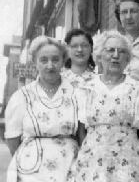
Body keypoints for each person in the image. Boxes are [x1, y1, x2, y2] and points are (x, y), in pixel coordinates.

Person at [73, 30, 139, 182]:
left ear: (127, 59)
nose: (116, 55)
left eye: (122, 51)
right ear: (99, 55)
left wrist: (133, 157)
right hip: (92, 162)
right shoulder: (86, 88)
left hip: (128, 164)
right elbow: (81, 131)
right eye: (110, 50)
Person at [4, 36, 79, 182]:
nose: (50, 65)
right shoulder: (22, 96)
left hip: (69, 166)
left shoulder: (76, 93)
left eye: (55, 59)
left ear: (63, 61)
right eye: (43, 60)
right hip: (31, 170)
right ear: (35, 62)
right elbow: (13, 139)